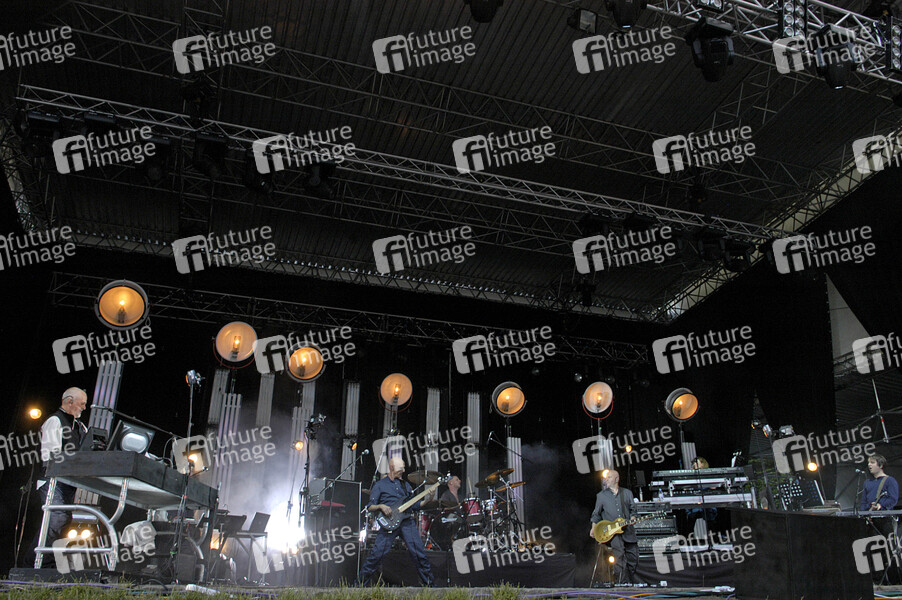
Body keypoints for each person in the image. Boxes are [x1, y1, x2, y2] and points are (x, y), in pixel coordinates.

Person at [30, 387, 88, 567]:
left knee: (63, 520)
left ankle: (44, 563)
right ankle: (37, 564)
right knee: (57, 517)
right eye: (82, 403)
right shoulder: (55, 421)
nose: (84, 408)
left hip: (68, 481)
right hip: (52, 480)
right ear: (69, 401)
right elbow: (51, 456)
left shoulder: (80, 427)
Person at [356, 457, 434, 586]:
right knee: (377, 555)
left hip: (406, 521)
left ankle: (430, 585)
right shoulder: (380, 485)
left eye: (403, 468)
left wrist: (428, 500)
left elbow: (414, 505)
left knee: (419, 553)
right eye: (400, 468)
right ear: (391, 468)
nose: (403, 470)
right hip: (389, 523)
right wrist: (381, 506)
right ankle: (359, 584)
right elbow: (370, 507)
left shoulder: (405, 485)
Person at [590, 470, 640, 585]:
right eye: (606, 478)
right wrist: (593, 528)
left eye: (609, 477)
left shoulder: (627, 493)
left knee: (633, 558)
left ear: (616, 479)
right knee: (619, 557)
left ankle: (629, 581)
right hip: (613, 533)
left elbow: (633, 511)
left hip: (628, 531)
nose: (606, 480)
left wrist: (633, 517)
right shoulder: (601, 496)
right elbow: (596, 514)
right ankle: (621, 583)